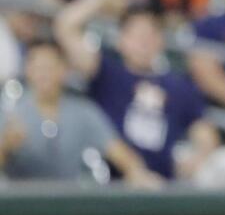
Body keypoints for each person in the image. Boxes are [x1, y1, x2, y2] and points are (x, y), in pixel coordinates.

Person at [52, 0, 217, 180]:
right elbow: (65, 26)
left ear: (160, 40)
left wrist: (197, 159)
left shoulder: (179, 86)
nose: (143, 42)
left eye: (150, 35)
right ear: (121, 40)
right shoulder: (107, 73)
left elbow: (205, 134)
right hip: (109, 181)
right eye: (136, 35)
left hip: (160, 185)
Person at [0, 39, 161, 185]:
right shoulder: (10, 111)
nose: (44, 74)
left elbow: (118, 151)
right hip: (20, 206)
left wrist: (135, 171)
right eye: (38, 67)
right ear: (27, 70)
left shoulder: (82, 111)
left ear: (63, 70)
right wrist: (6, 145)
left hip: (67, 203)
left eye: (49, 67)